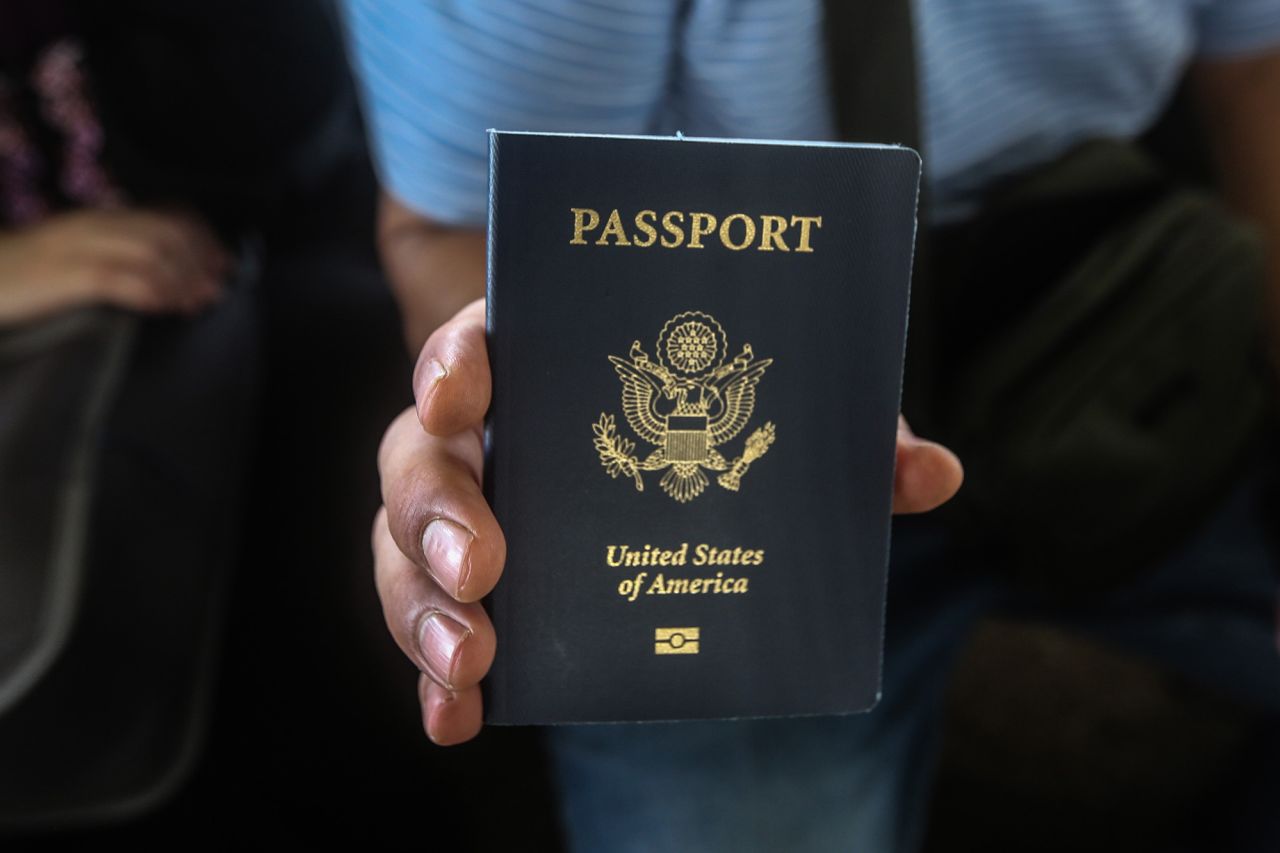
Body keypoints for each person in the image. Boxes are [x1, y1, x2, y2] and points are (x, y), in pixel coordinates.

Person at [342, 2, 1280, 850]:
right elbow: (464, 220)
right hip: (725, 454)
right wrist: (522, 429)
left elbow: (1257, 70)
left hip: (1114, 314)